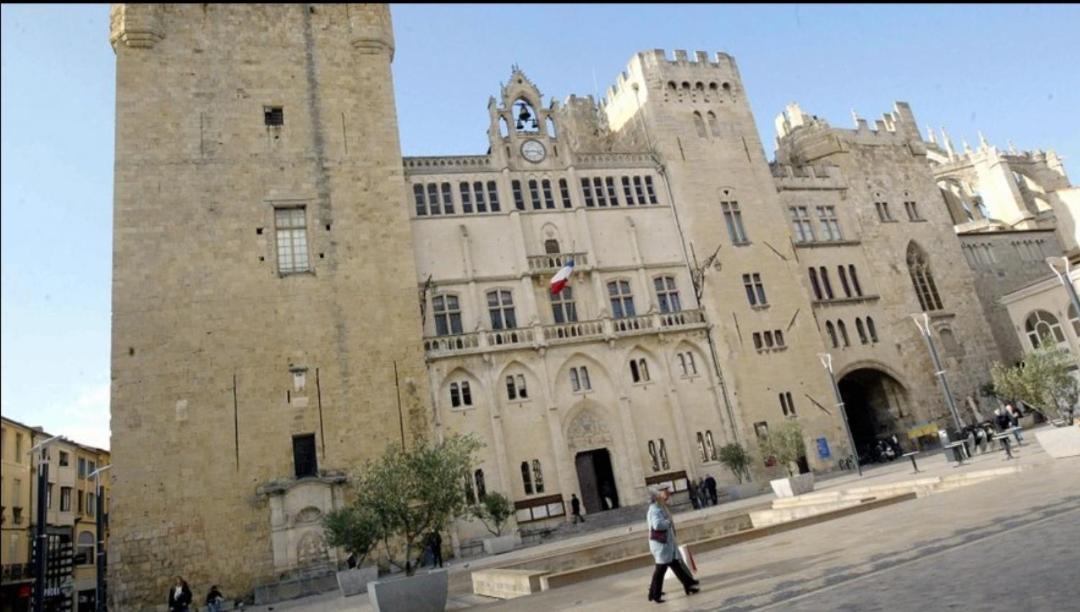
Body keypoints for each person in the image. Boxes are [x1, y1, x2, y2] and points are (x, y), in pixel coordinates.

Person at [646, 486, 699, 603]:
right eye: (660, 496)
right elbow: (657, 525)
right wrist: (668, 522)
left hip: (665, 546)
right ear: (656, 498)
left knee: (675, 566)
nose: (662, 497)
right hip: (662, 546)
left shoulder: (657, 508)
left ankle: (689, 585)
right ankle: (655, 594)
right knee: (660, 571)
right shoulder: (655, 510)